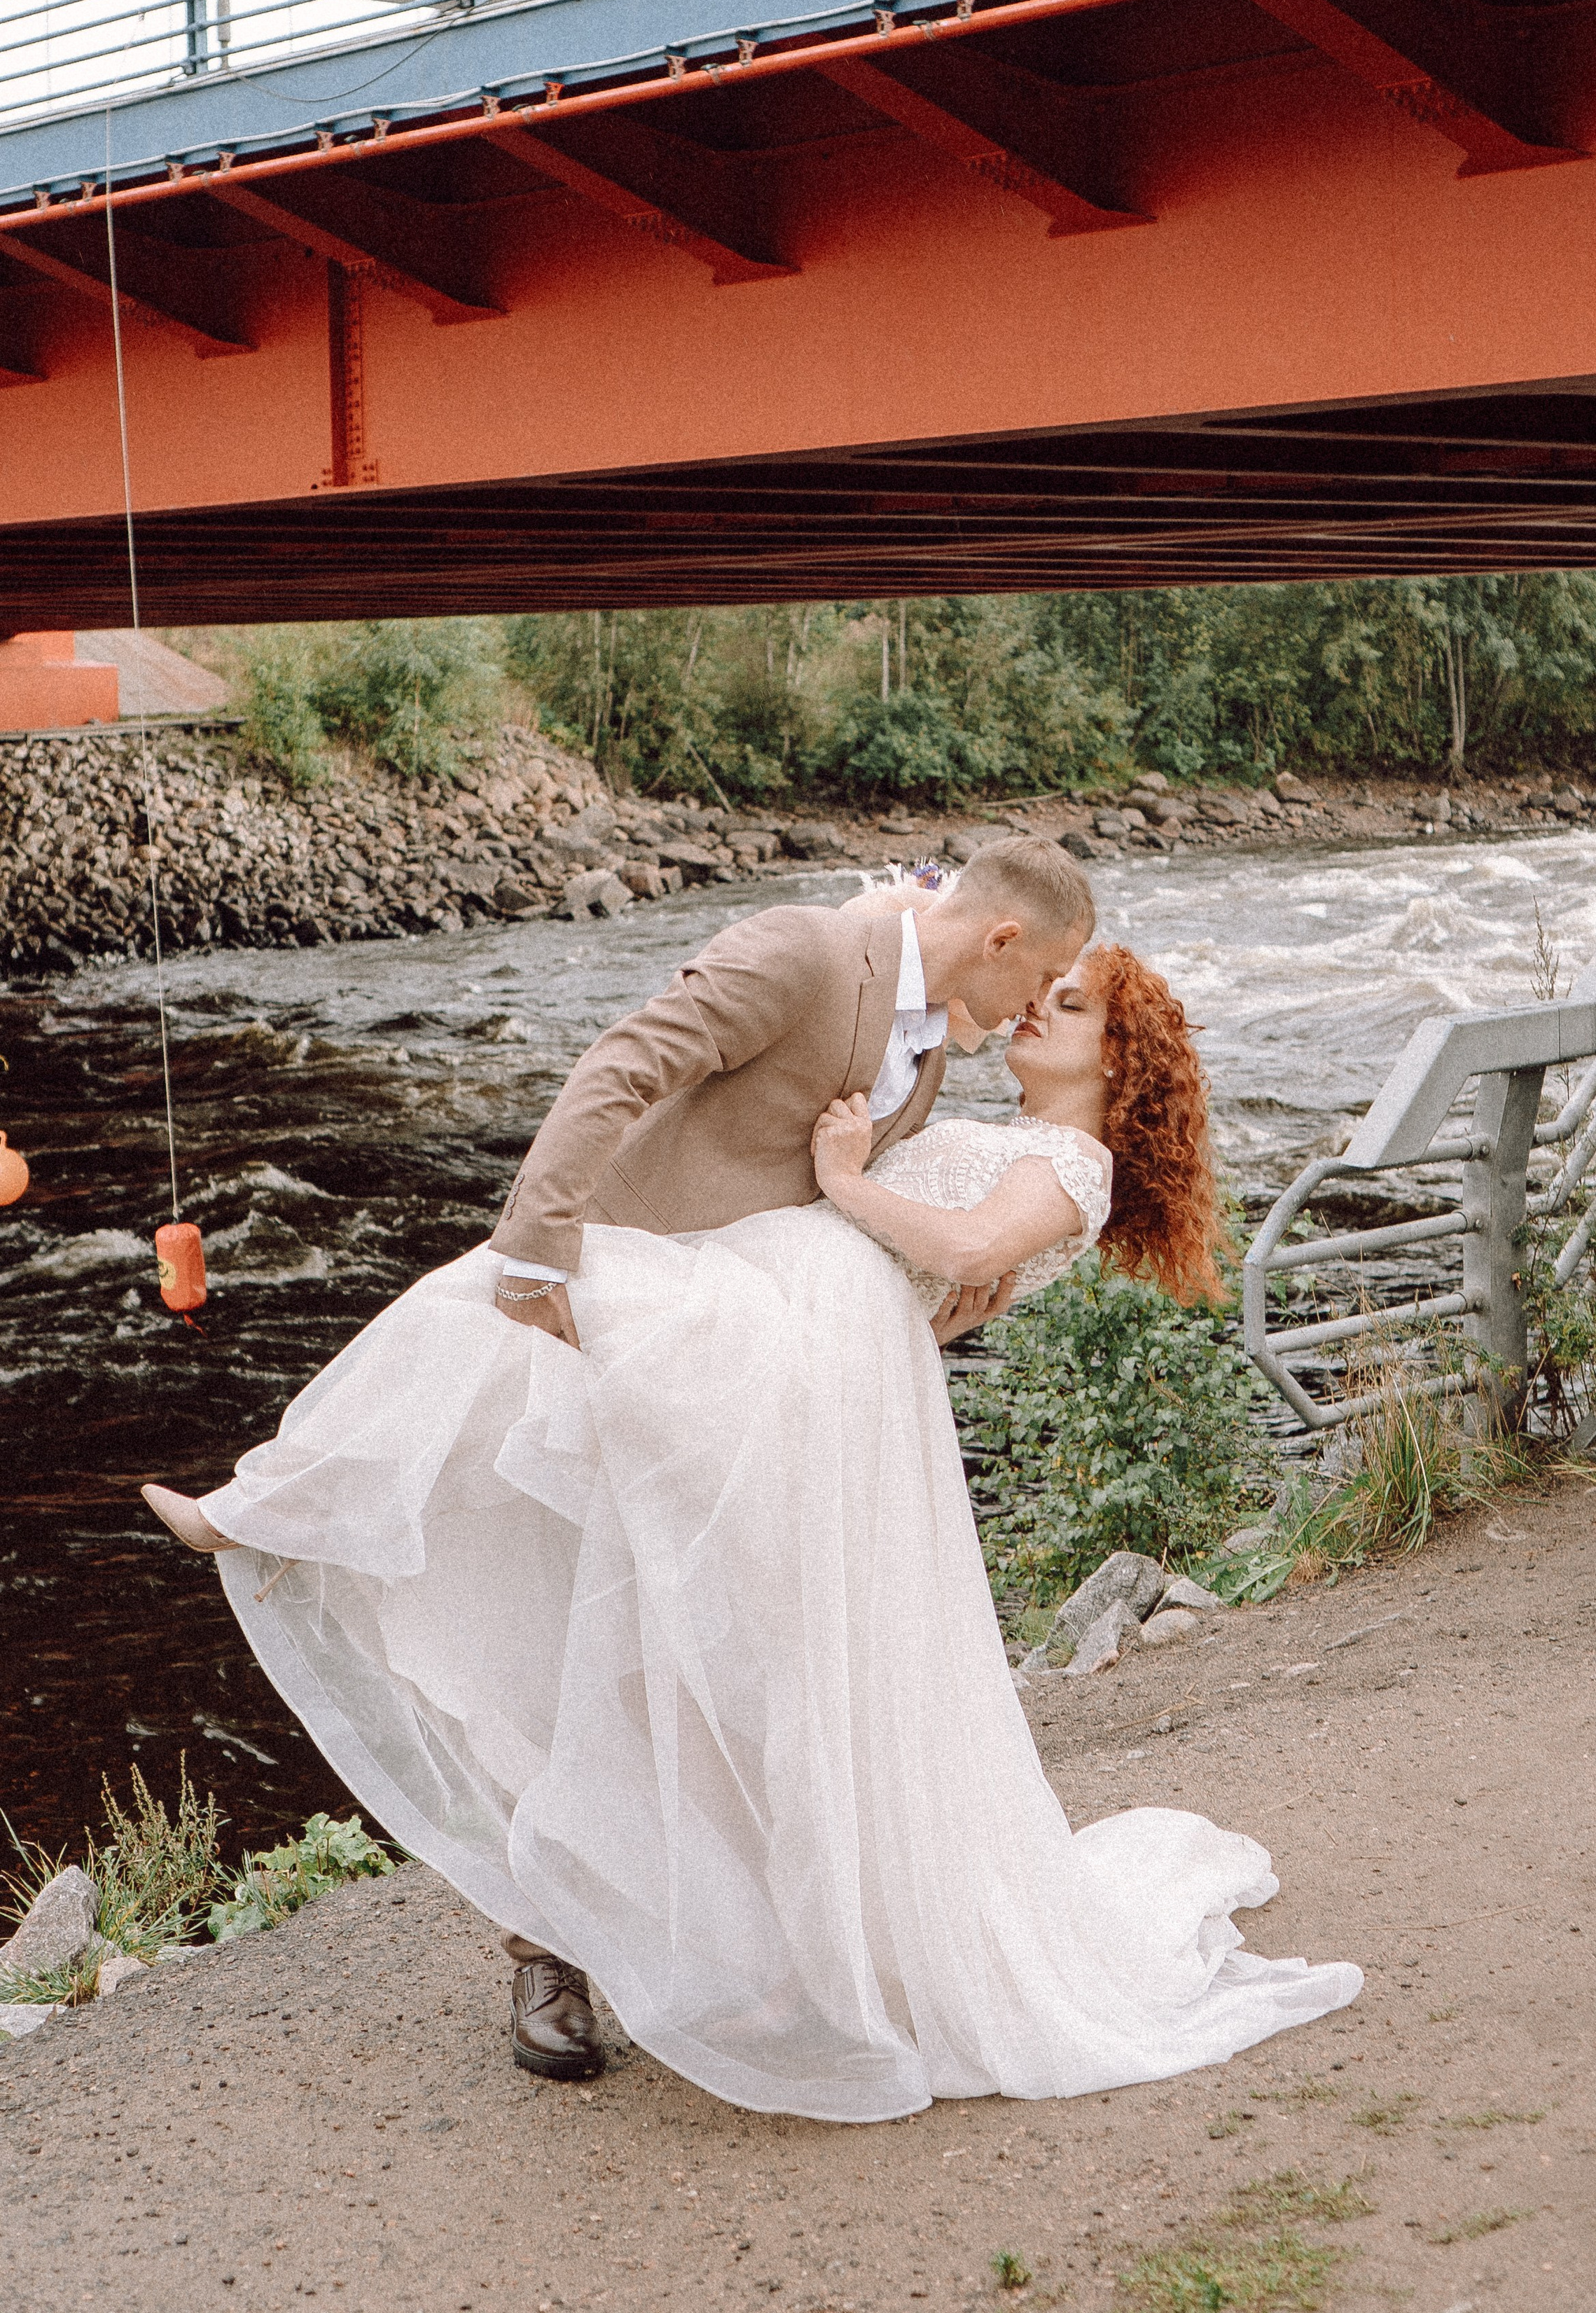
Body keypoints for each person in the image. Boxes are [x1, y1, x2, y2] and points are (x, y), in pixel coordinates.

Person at [144, 869, 1360, 2120]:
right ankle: (298, 1520)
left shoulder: (1031, 1130)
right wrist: (549, 1242)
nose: (1031, 1011)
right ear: (996, 937)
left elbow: (958, 1251)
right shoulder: (832, 966)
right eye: (1038, 986)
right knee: (520, 1395)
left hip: (790, 1364)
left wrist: (862, 1199)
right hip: (749, 1327)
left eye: (1068, 1005)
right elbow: (651, 1069)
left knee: (730, 1664)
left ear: (1116, 1057)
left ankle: (756, 1950)